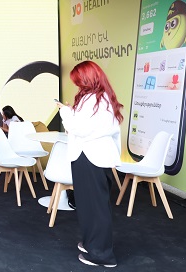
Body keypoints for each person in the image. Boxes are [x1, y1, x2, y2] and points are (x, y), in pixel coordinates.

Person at [56, 60, 123, 268]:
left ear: (86, 79)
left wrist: (65, 113)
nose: (77, 84)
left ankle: (101, 254)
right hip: (92, 157)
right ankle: (92, 244)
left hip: (90, 157)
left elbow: (81, 128)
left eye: (78, 80)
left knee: (95, 207)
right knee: (90, 206)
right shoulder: (100, 98)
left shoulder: (96, 99)